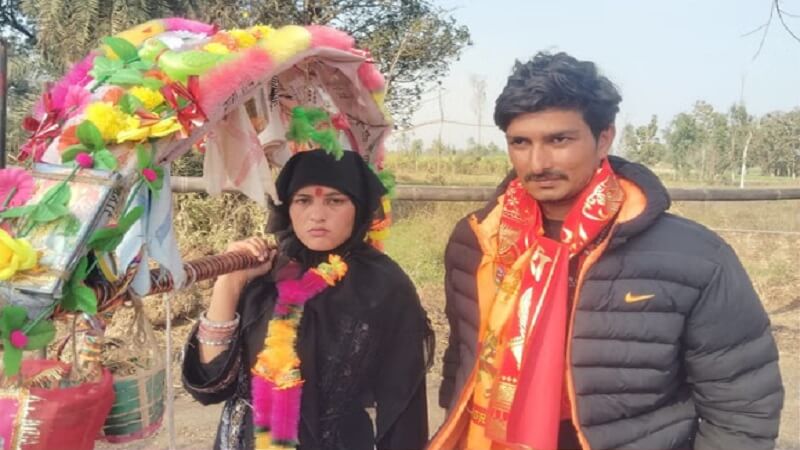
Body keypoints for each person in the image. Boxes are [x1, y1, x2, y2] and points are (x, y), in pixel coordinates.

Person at [430, 52, 784, 450]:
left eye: (559, 140)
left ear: (604, 138)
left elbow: (741, 402)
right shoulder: (478, 242)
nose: (538, 162)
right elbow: (462, 362)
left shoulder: (694, 257)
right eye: (520, 143)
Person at [182, 149, 432, 450]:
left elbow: (403, 404)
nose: (317, 215)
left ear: (359, 206)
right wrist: (230, 282)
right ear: (287, 206)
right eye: (303, 200)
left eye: (334, 200)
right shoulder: (261, 272)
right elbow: (210, 386)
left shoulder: (384, 286)